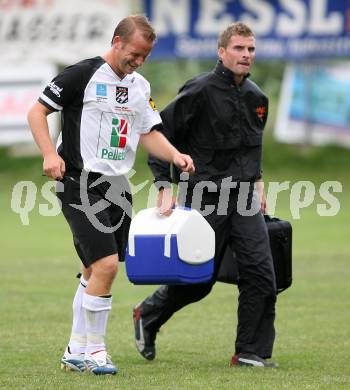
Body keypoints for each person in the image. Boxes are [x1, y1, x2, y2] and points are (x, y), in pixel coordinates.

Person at [27, 15, 194, 376]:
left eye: (145, 56)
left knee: (95, 267)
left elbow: (148, 132)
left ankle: (75, 348)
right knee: (104, 266)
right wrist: (48, 153)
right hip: (79, 181)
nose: (138, 61)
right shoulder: (82, 75)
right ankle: (96, 352)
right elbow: (37, 112)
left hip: (117, 187)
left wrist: (175, 155)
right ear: (117, 41)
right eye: (135, 53)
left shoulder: (139, 85)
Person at [133, 22, 278, 368]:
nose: (246, 55)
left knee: (261, 273)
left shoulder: (259, 99)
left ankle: (249, 352)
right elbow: (158, 136)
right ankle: (147, 314)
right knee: (199, 281)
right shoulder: (199, 91)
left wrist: (258, 184)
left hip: (243, 199)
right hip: (205, 198)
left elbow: (252, 150)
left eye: (251, 49)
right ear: (222, 52)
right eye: (239, 48)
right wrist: (164, 185)